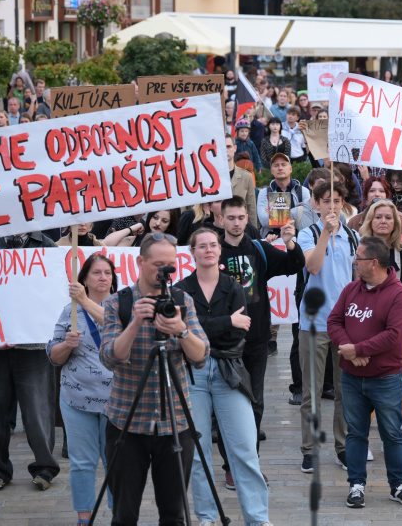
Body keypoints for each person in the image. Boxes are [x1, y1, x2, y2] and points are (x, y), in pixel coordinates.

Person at [99, 234, 209, 525]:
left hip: (175, 423)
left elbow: (201, 356)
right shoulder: (117, 303)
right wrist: (135, 323)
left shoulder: (182, 300)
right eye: (158, 264)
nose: (165, 272)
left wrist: (182, 330)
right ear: (140, 262)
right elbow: (110, 357)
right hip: (127, 422)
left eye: (170, 265)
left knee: (174, 514)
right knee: (124, 514)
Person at [176, 229, 270, 526]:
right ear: (192, 251)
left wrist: (204, 327)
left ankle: (258, 518)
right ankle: (206, 517)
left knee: (244, 448)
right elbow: (184, 333)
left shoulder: (234, 286)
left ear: (219, 250)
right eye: (201, 246)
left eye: (213, 245)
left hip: (229, 370)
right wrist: (226, 321)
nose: (208, 250)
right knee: (199, 451)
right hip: (192, 372)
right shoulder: (181, 290)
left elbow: (237, 331)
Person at [327, 236, 402, 509]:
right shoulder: (351, 290)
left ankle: (398, 485)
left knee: (392, 433)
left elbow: (394, 335)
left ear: (374, 263)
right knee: (356, 433)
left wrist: (359, 349)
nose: (354, 262)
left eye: (359, 258)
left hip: (385, 378)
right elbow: (334, 320)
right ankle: (356, 485)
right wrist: (349, 348)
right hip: (352, 377)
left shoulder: (400, 295)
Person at [218, 195, 304, 470]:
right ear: (221, 219)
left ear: (248, 218)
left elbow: (294, 264)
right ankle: (230, 465)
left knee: (254, 402)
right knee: (225, 406)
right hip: (223, 341)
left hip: (255, 339)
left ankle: (249, 462)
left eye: (241, 217)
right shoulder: (213, 250)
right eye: (230, 218)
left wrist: (290, 241)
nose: (236, 223)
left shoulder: (258, 250)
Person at [0, 231, 60, 493]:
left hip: (33, 347)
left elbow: (52, 293)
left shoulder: (46, 246)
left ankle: (45, 467)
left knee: (37, 410)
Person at [46, 254, 117, 525]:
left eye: (107, 273)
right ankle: (84, 518)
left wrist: (85, 301)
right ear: (84, 278)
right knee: (82, 464)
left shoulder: (123, 306)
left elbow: (117, 326)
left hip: (116, 401)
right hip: (76, 401)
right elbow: (53, 354)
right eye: (96, 273)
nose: (102, 277)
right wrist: (66, 346)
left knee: (116, 464)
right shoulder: (70, 311)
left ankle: (118, 516)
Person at [296, 181, 359, 474]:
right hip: (314, 323)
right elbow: (314, 266)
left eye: (336, 200)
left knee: (346, 391)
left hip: (345, 324)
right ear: (316, 204)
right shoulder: (307, 233)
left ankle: (344, 446)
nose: (331, 206)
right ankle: (309, 449)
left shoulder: (354, 237)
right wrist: (325, 232)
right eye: (326, 201)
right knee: (312, 391)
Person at [257, 153, 311, 232]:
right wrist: (297, 212)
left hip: (298, 239)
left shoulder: (303, 191)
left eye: (283, 164)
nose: (280, 168)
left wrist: (274, 215)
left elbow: (307, 220)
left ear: (290, 169)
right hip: (272, 239)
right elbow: (264, 221)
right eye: (276, 165)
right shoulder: (264, 193)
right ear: (271, 170)